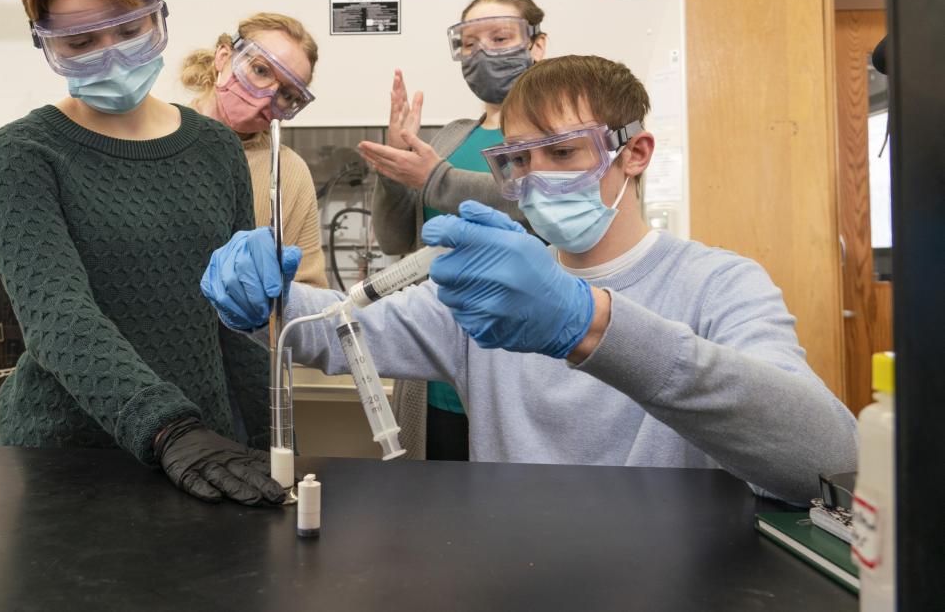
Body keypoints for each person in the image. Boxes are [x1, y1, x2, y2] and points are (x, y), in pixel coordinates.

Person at [200, 55, 858, 504]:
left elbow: (823, 459)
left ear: (635, 152)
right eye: (518, 160)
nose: (537, 178)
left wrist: (590, 322)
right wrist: (265, 295)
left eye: (565, 151)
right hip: (514, 567)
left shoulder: (721, 285)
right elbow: (336, 329)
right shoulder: (493, 293)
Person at [0, 0, 284, 507]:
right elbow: (58, 317)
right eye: (81, 43)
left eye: (128, 29)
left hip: (207, 458)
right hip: (65, 463)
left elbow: (233, 321)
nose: (111, 56)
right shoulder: (21, 154)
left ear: (158, 14)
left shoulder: (214, 147)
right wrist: (170, 429)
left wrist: (272, 440)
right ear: (45, 44)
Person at [357, 0, 548, 461]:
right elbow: (397, 238)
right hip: (434, 373)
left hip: (518, 364)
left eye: (500, 37)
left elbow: (534, 211)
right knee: (432, 521)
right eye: (468, 42)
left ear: (536, 45)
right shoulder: (451, 135)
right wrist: (398, 170)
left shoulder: (553, 137)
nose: (481, 51)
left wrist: (433, 177)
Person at [181, 13, 327, 287]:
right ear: (223, 57)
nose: (267, 98)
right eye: (260, 71)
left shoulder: (288, 172)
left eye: (286, 94)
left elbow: (310, 290)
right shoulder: (161, 137)